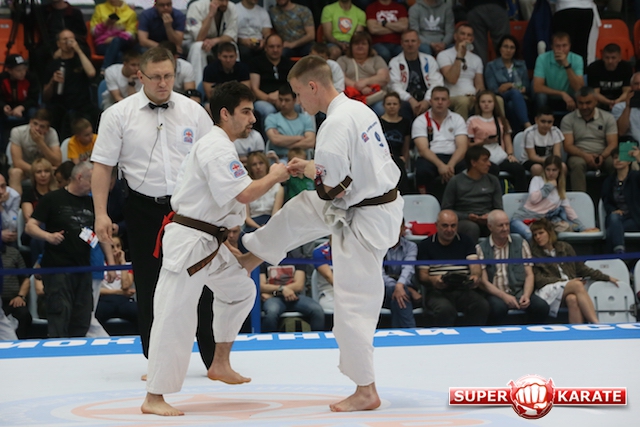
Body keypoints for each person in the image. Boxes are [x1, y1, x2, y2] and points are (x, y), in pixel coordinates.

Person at [239, 55, 403, 412]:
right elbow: (347, 172)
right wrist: (313, 167)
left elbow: (332, 189)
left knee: (353, 303)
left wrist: (313, 171)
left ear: (313, 86)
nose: (299, 102)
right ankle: (253, 255)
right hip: (370, 201)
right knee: (301, 208)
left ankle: (366, 390)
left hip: (364, 217)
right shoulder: (358, 110)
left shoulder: (333, 126)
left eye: (299, 93)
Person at [141, 81, 290, 416]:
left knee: (240, 291)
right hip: (190, 242)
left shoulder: (222, 146)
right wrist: (275, 175)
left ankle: (220, 361)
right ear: (225, 113)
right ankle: (154, 396)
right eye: (246, 112)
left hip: (209, 241)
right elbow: (245, 194)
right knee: (174, 315)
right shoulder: (216, 147)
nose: (252, 119)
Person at [91, 46, 215, 367]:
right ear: (140, 76)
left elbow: (214, 160)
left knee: (202, 280)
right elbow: (102, 167)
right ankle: (157, 360)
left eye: (168, 76)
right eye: (156, 76)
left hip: (191, 209)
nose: (163, 83)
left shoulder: (194, 112)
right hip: (143, 208)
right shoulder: (118, 114)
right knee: (150, 284)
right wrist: (101, 214)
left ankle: (214, 359)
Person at [25, 162, 116, 338]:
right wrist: (48, 236)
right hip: (57, 268)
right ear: (79, 177)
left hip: (83, 268)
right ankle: (58, 350)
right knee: (60, 313)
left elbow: (102, 234)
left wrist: (111, 263)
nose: (94, 186)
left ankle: (79, 351)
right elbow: (30, 226)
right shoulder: (52, 199)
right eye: (92, 181)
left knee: (83, 315)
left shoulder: (92, 203)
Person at [529, 218, 617, 323]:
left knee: (572, 299)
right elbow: (539, 280)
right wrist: (567, 283)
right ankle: (596, 323)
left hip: (566, 288)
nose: (538, 237)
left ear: (549, 232)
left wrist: (606, 277)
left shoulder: (565, 247)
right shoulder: (534, 253)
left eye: (541, 233)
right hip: (546, 290)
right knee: (577, 285)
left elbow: (582, 268)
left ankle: (578, 331)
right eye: (535, 235)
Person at [416, 209, 490, 326]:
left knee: (482, 305)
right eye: (445, 226)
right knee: (445, 310)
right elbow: (422, 275)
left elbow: (475, 265)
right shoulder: (426, 245)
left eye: (453, 226)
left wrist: (475, 275)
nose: (449, 230)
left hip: (463, 289)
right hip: (437, 291)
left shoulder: (466, 241)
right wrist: (433, 279)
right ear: (436, 225)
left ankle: (471, 336)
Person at [476, 210, 550, 325]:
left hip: (519, 291)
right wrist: (504, 296)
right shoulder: (481, 248)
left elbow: (529, 274)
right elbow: (483, 282)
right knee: (498, 308)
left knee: (541, 307)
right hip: (495, 294)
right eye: (501, 225)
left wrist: (526, 295)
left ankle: (529, 333)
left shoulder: (521, 243)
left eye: (507, 224)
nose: (505, 228)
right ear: (490, 227)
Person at [510, 155, 591, 240]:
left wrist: (582, 227)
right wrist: (549, 186)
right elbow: (534, 199)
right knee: (531, 235)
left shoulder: (560, 190)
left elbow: (568, 209)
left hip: (540, 223)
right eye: (548, 169)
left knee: (550, 233)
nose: (551, 173)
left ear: (559, 171)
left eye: (554, 170)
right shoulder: (537, 180)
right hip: (521, 219)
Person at [411, 86, 467, 199]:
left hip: (453, 157)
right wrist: (441, 166)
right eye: (436, 99)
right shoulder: (420, 120)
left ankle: (464, 200)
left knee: (467, 167)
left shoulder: (457, 119)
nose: (440, 102)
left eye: (443, 99)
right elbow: (423, 150)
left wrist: (450, 165)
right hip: (430, 157)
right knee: (422, 171)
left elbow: (462, 147)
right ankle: (425, 200)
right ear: (431, 101)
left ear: (449, 102)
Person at [466, 90, 527, 192]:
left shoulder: (501, 120)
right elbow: (468, 144)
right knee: (493, 169)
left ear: (494, 104)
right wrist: (483, 142)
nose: (486, 104)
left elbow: (507, 140)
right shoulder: (472, 121)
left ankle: (519, 196)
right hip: (481, 155)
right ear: (479, 104)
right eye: (483, 102)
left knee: (518, 169)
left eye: (489, 102)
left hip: (500, 155)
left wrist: (510, 154)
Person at [42, 29, 98, 139]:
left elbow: (91, 73)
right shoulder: (53, 65)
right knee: (52, 115)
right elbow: (45, 96)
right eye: (65, 39)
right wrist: (52, 81)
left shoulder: (81, 59)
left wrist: (78, 50)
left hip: (82, 105)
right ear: (58, 44)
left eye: (71, 39)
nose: (69, 42)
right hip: (61, 106)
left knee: (99, 115)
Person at [441, 145, 503, 244]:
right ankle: (470, 253)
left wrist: (489, 216)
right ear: (473, 162)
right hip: (464, 220)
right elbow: (446, 210)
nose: (489, 164)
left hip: (487, 219)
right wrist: (467, 216)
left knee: (501, 225)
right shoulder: (456, 181)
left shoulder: (493, 180)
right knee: (472, 227)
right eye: (485, 160)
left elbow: (499, 208)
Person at [561, 86, 618, 192]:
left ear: (596, 101)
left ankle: (617, 195)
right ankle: (580, 198)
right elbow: (568, 146)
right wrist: (585, 155)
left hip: (604, 154)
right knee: (577, 164)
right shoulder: (567, 119)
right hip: (579, 155)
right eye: (581, 103)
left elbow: (613, 143)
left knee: (615, 162)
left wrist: (602, 156)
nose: (584, 106)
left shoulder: (608, 118)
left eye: (588, 103)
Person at [388, 29, 444, 120]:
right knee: (402, 107)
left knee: (439, 102)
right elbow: (394, 86)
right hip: (406, 100)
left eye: (413, 41)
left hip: (428, 98)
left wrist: (427, 101)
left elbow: (437, 83)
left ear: (419, 43)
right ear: (401, 43)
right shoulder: (395, 62)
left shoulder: (429, 60)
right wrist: (410, 99)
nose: (410, 44)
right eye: (406, 41)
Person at [260, 259, 325, 332]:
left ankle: (317, 338)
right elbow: (261, 286)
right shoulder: (264, 258)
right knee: (271, 313)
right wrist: (282, 289)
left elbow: (299, 286)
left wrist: (274, 292)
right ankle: (269, 339)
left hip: (294, 297)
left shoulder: (297, 257)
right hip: (274, 299)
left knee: (317, 310)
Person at [484, 35, 532, 132]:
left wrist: (510, 86)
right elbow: (493, 89)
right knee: (514, 92)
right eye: (505, 46)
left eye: (512, 47)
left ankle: (516, 132)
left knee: (511, 104)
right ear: (500, 48)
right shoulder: (491, 66)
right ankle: (527, 125)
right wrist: (513, 86)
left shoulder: (521, 65)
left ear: (515, 50)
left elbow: (526, 86)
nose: (508, 50)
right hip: (500, 98)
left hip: (519, 98)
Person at [437, 23, 485, 120]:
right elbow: (452, 79)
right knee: (463, 101)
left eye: (469, 35)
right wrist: (459, 55)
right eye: (462, 34)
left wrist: (479, 96)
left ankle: (500, 128)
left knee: (497, 100)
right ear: (455, 36)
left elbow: (480, 86)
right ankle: (461, 129)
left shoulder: (476, 59)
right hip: (453, 96)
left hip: (471, 96)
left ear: (472, 39)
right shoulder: (444, 55)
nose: (465, 37)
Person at [185, 0, 238, 86]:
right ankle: (198, 87)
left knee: (232, 45)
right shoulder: (196, 7)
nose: (225, 3)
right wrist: (210, 15)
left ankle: (235, 86)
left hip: (217, 42)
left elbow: (232, 35)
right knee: (198, 47)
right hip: (193, 43)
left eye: (226, 0)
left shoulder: (231, 7)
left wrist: (215, 40)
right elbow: (199, 38)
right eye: (221, 0)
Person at [8, 109, 61, 195]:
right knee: (15, 172)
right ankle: (15, 202)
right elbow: (17, 162)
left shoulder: (52, 133)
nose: (37, 128)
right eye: (35, 124)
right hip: (25, 169)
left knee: (57, 172)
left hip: (45, 170)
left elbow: (57, 161)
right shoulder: (17, 131)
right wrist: (37, 171)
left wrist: (41, 143)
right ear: (30, 122)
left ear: (47, 129)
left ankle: (53, 201)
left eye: (42, 126)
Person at [249, 34, 295, 128]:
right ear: (265, 47)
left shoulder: (289, 64)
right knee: (269, 110)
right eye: (271, 46)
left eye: (278, 46)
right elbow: (254, 88)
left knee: (297, 107)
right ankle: (270, 137)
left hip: (284, 98)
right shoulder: (256, 62)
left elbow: (293, 86)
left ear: (282, 47)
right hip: (263, 99)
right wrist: (269, 99)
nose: (275, 50)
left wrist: (281, 99)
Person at [532, 32, 584, 114]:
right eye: (557, 46)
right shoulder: (542, 58)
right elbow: (537, 87)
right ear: (552, 47)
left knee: (580, 95)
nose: (561, 49)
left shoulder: (577, 59)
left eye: (564, 45)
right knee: (540, 96)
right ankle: (542, 119)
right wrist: (561, 93)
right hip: (549, 96)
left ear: (569, 46)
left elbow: (579, 88)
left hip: (570, 97)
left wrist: (566, 65)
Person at [601, 146, 640, 254]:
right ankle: (620, 252)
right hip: (618, 218)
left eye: (621, 157)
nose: (617, 160)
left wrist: (639, 159)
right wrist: (613, 210)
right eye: (615, 158)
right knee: (614, 218)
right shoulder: (609, 181)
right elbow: (606, 201)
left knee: (612, 230)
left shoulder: (635, 177)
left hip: (635, 219)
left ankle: (616, 254)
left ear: (629, 161)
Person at [95, 234, 137, 330]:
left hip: (124, 301)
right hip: (105, 300)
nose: (116, 249)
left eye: (118, 246)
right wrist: (119, 292)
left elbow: (125, 285)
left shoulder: (128, 265)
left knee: (139, 312)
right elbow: (97, 289)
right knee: (94, 314)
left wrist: (122, 262)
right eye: (112, 247)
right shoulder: (100, 265)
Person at [382, 222, 420, 328]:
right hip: (382, 291)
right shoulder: (377, 247)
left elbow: (408, 268)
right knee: (401, 294)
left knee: (397, 300)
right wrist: (398, 287)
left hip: (403, 290)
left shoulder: (411, 246)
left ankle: (400, 332)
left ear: (403, 229)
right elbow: (379, 274)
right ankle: (410, 331)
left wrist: (400, 286)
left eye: (397, 226)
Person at [265, 83, 316, 162]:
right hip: (280, 159)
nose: (283, 104)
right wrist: (299, 138)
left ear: (294, 100)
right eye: (280, 100)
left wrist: (283, 142)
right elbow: (275, 139)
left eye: (287, 100)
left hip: (302, 159)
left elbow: (310, 142)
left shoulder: (305, 119)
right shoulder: (271, 118)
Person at [21, 158, 58, 263]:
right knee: (37, 236)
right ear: (33, 175)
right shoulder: (28, 193)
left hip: (54, 229)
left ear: (51, 174)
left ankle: (40, 267)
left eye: (46, 171)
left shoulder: (57, 193)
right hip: (33, 231)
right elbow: (29, 218)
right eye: (39, 172)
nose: (43, 175)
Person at [0, 54, 39, 148]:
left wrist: (22, 107)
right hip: (7, 106)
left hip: (26, 106)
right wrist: (3, 106)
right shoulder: (2, 78)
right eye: (18, 70)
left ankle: (32, 143)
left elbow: (34, 99)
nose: (22, 73)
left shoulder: (31, 78)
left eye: (24, 69)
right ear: (9, 70)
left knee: (33, 113)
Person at [89, 0, 138, 70]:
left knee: (116, 41)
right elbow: (93, 32)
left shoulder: (130, 13)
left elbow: (131, 34)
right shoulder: (100, 8)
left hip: (122, 43)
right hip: (103, 43)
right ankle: (117, 75)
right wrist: (105, 24)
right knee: (119, 55)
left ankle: (104, 69)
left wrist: (113, 39)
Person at [551, 0, 600, 67]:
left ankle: (565, 70)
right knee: (581, 49)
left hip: (565, 8)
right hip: (586, 8)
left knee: (562, 47)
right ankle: (580, 72)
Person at [380, 92, 411, 195]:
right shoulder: (378, 122)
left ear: (399, 106)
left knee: (398, 163)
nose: (392, 107)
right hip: (382, 157)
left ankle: (404, 195)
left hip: (399, 158)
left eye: (394, 104)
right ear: (384, 106)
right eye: (389, 104)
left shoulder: (405, 122)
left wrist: (405, 158)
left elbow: (406, 145)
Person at [519, 106, 564, 176]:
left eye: (549, 122)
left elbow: (557, 154)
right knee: (537, 168)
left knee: (563, 166)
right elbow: (532, 156)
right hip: (530, 161)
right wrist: (549, 162)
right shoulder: (529, 132)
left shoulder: (556, 132)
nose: (546, 125)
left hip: (550, 161)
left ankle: (559, 183)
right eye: (543, 121)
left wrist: (551, 163)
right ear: (536, 120)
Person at [245, 151, 284, 231]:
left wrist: (267, 228)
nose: (258, 167)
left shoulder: (278, 187)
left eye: (261, 163)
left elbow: (275, 213)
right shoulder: (247, 188)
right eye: (254, 164)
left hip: (270, 222)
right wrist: (259, 228)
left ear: (266, 165)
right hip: (253, 224)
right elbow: (246, 217)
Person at [586, 43, 632, 110]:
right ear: (602, 57)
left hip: (621, 100)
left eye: (613, 58)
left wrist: (617, 102)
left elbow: (627, 91)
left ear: (619, 58)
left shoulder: (626, 67)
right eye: (607, 58)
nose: (610, 61)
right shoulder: (594, 68)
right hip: (599, 101)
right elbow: (595, 93)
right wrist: (609, 102)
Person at [464, 0, 510, 66]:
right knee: (503, 44)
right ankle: (505, 70)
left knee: (479, 47)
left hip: (474, 6)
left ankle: (480, 71)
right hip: (498, 5)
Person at [0, 244, 31, 339]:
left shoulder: (13, 253)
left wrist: (20, 296)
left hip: (10, 300)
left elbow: (25, 278)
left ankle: (19, 346)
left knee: (23, 314)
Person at [612, 72, 640, 143]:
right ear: (631, 86)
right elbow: (621, 132)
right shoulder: (619, 107)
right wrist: (628, 106)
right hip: (631, 146)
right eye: (636, 84)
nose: (639, 87)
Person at [0, 174, 20, 248]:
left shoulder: (14, 196)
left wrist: (0, 207)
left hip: (7, 236)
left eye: (3, 186)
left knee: (11, 237)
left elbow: (12, 225)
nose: (1, 191)